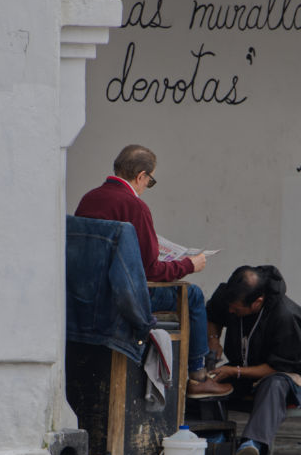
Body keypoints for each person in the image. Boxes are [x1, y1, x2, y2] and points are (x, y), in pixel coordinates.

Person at [75, 144, 232, 399]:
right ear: (141, 176)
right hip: (123, 297)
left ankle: (197, 375)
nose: (147, 186)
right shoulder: (135, 207)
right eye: (150, 180)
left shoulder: (89, 198)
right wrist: (189, 265)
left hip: (88, 294)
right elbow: (151, 271)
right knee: (192, 296)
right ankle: (198, 376)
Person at [206, 265, 301, 455]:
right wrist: (213, 340)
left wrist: (234, 370)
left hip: (285, 376)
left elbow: (278, 367)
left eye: (236, 309)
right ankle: (212, 440)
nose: (231, 312)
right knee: (203, 384)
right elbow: (214, 314)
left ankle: (251, 446)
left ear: (257, 302)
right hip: (241, 371)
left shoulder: (287, 316)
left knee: (273, 384)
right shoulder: (230, 295)